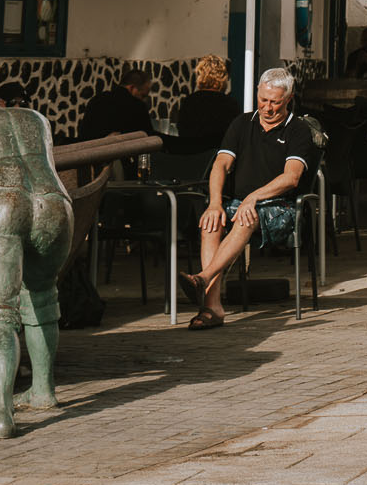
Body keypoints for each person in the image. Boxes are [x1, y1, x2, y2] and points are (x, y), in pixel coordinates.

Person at [180, 67, 316, 330]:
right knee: (211, 221)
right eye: (263, 100)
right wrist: (215, 202)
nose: (267, 107)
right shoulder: (242, 123)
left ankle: (204, 279)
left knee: (245, 217)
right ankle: (213, 306)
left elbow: (291, 178)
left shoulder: (298, 130)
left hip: (280, 207)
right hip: (239, 202)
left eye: (275, 102)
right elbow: (220, 165)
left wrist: (252, 198)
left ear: (288, 99)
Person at [173, 55, 241, 148]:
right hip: (218, 156)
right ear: (224, 77)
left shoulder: (190, 101)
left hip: (192, 153)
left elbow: (182, 130)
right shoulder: (230, 103)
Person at [76, 65, 154, 142]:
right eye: (142, 95)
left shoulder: (96, 100)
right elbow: (149, 138)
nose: (143, 100)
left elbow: (83, 136)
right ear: (132, 88)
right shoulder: (138, 106)